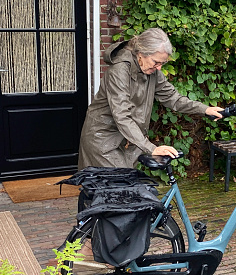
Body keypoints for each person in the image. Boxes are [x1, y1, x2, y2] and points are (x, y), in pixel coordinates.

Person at [78, 28, 223, 170]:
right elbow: (121, 116)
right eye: (156, 62)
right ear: (141, 54)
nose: (159, 68)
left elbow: (173, 98)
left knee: (121, 188)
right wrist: (151, 148)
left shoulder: (151, 70)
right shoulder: (119, 71)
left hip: (127, 139)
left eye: (163, 63)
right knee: (113, 188)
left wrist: (205, 109)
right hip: (102, 139)